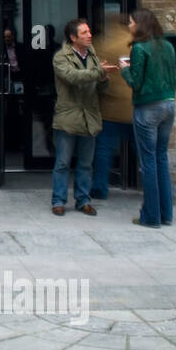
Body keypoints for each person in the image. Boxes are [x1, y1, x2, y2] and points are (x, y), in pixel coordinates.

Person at [51, 18, 118, 216]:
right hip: (69, 117)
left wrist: (104, 78)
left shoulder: (93, 55)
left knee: (86, 164)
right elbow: (73, 77)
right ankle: (59, 201)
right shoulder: (60, 57)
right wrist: (98, 72)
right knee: (63, 162)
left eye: (89, 31)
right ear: (73, 37)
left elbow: (100, 86)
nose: (90, 35)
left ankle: (83, 200)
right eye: (84, 33)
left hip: (89, 117)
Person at [122, 9, 176, 228]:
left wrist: (124, 69)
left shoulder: (139, 48)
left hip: (147, 107)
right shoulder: (167, 46)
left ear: (140, 25)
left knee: (148, 162)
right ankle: (167, 214)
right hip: (169, 104)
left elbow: (136, 81)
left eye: (131, 22)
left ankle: (151, 216)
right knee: (161, 159)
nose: (129, 26)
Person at [91, 13, 135, 199]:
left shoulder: (102, 45)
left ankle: (100, 188)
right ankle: (163, 191)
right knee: (149, 153)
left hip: (110, 109)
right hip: (134, 107)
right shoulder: (134, 43)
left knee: (103, 150)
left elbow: (96, 73)